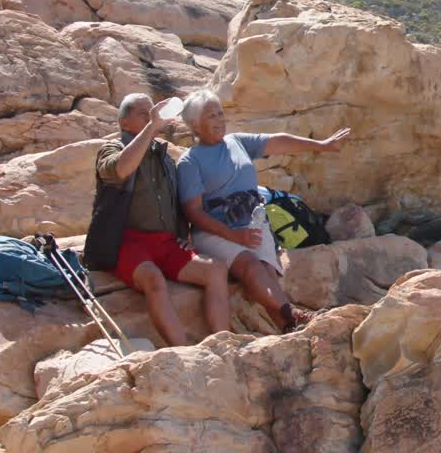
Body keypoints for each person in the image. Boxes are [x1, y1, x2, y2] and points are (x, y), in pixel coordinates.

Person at [177, 89, 350, 332]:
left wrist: (321, 146)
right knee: (251, 265)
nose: (220, 120)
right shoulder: (189, 162)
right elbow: (194, 212)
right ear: (195, 125)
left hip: (253, 225)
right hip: (215, 233)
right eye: (211, 116)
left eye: (220, 113)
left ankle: (287, 325)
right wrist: (235, 236)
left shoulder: (236, 142)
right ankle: (295, 315)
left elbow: (277, 141)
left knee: (267, 272)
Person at [93, 93, 232, 346]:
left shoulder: (163, 157)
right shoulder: (113, 148)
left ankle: (223, 341)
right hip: (126, 242)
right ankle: (183, 350)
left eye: (153, 113)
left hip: (165, 242)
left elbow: (175, 201)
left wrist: (184, 234)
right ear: (124, 123)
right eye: (144, 114)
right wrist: (151, 128)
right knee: (153, 279)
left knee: (215, 269)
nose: (152, 118)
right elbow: (121, 170)